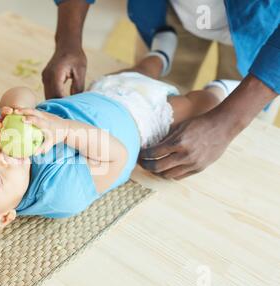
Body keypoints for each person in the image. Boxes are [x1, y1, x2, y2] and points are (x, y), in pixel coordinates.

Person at [0, 44, 239, 263]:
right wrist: (62, 130)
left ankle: (159, 52)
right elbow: (117, 156)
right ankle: (223, 86)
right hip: (144, 116)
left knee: (136, 70)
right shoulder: (60, 192)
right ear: (5, 218)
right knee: (193, 103)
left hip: (103, 91)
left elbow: (18, 91)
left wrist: (20, 109)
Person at [43, 0, 279, 179]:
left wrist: (230, 120)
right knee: (164, 95)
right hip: (169, 18)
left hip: (262, 25)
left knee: (214, 110)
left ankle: (220, 85)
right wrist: (67, 40)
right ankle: (162, 55)